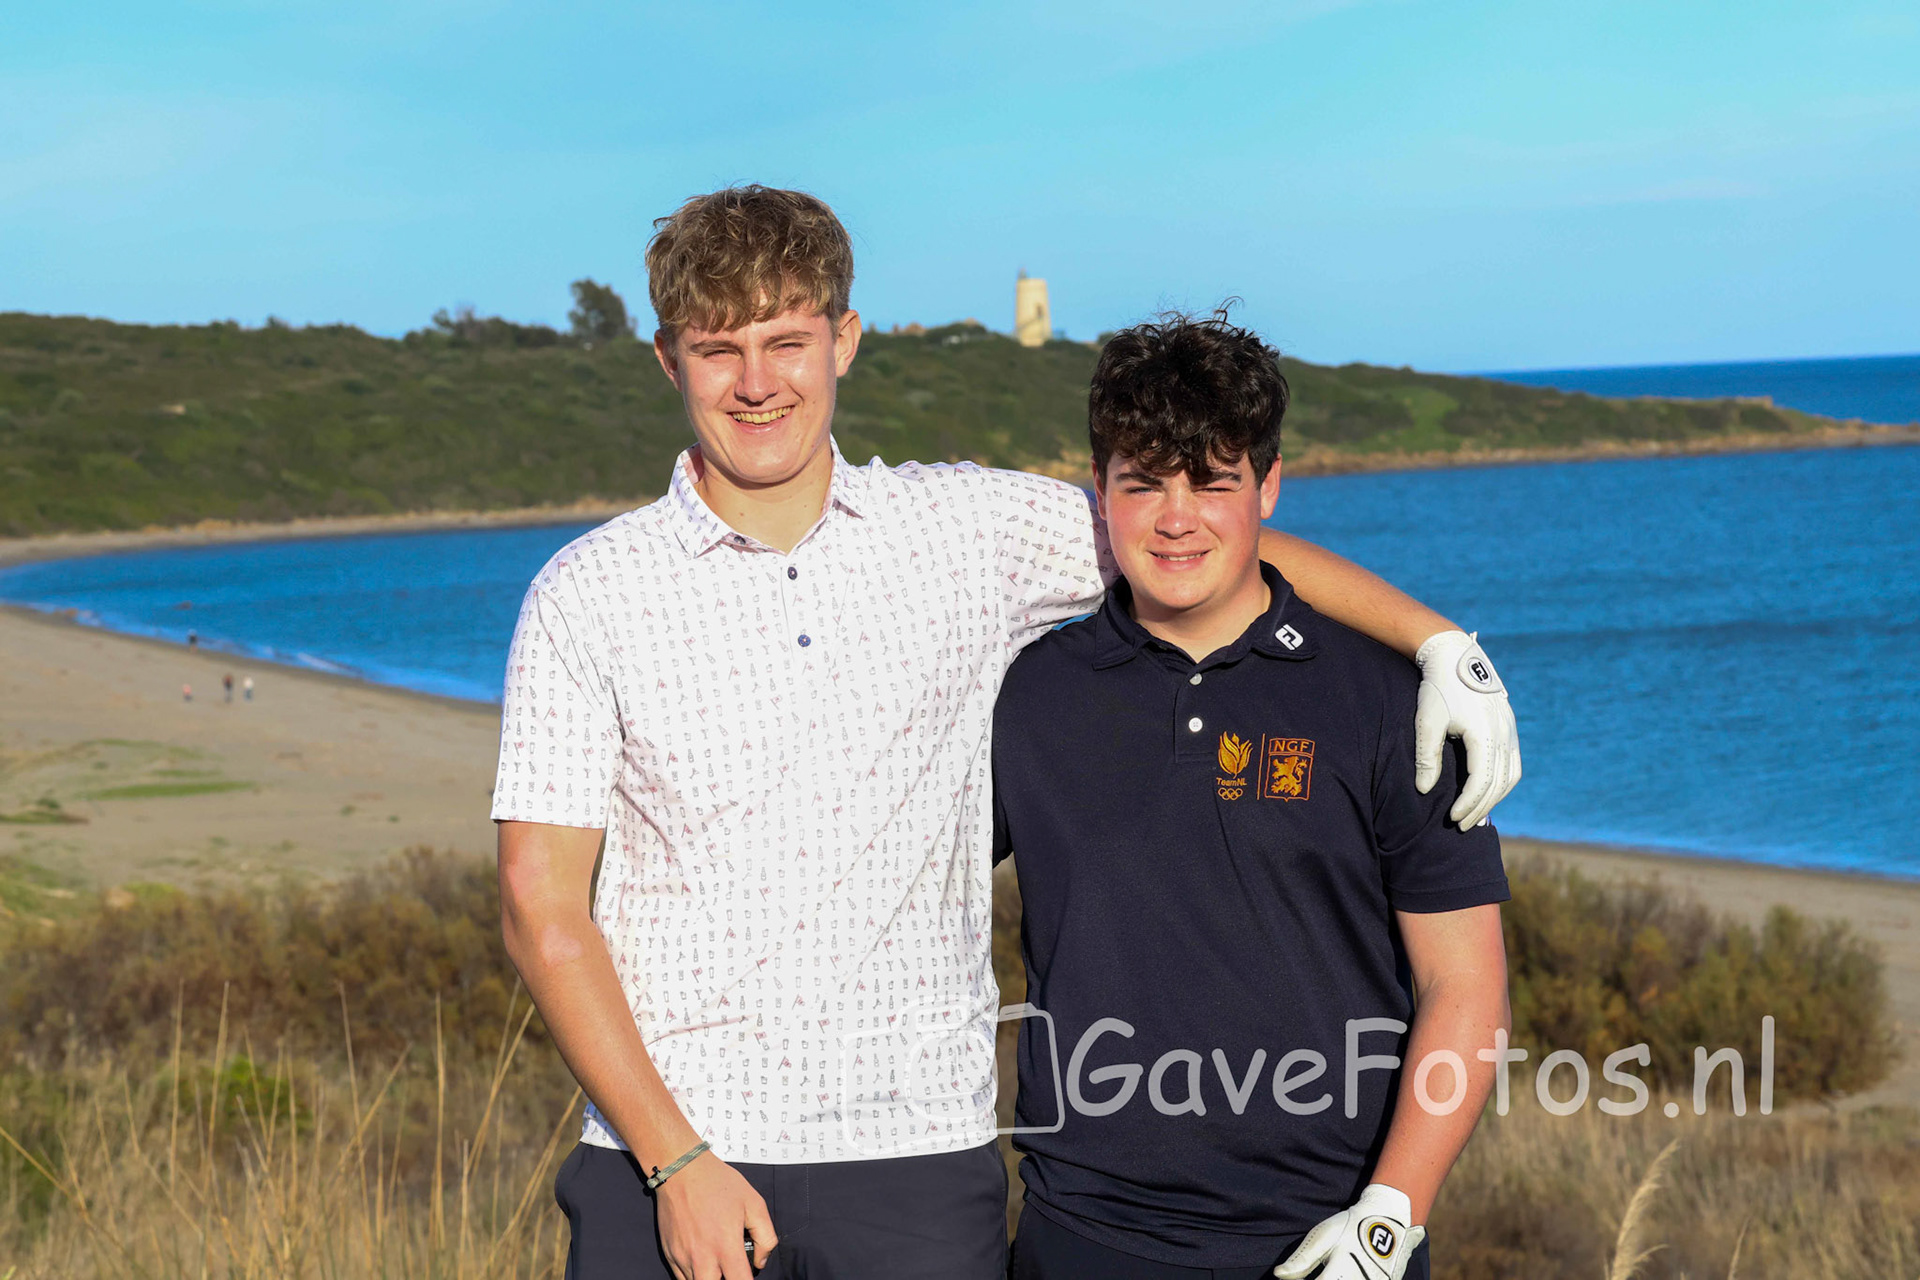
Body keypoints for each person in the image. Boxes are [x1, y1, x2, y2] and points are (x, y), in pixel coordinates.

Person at [491, 186, 1520, 1280]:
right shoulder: (586, 593)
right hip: (669, 1161)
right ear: (668, 360)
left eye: (786, 341)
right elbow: (540, 910)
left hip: (919, 1162)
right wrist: (675, 1157)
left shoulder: (969, 532)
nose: (756, 382)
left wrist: (1439, 645)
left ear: (844, 340)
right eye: (718, 350)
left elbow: (1197, 538)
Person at [992, 312, 1511, 1279]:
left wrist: (1391, 1214)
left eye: (1212, 482)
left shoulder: (1389, 701)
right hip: (1084, 1235)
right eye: (1143, 483)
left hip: (1331, 1242)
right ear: (1099, 486)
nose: (1175, 518)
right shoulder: (1029, 696)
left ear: (1269, 485)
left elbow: (1467, 986)